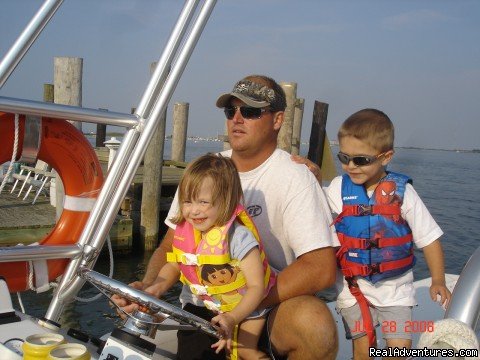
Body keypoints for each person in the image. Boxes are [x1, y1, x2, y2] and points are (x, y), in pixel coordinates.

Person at [113, 75, 339, 360]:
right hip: (202, 308)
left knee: (315, 324)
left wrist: (242, 306)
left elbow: (320, 268)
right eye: (231, 111)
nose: (237, 118)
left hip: (269, 306)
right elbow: (171, 246)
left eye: (252, 111)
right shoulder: (203, 171)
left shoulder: (295, 178)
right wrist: (148, 289)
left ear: (278, 120)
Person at [323, 108, 451, 360]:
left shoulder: (403, 194)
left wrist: (438, 280)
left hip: (396, 291)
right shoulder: (338, 188)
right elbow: (312, 209)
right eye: (344, 157)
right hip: (353, 289)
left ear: (386, 157)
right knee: (363, 350)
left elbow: (430, 238)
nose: (350, 166)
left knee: (398, 350)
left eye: (360, 160)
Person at [143, 153, 276, 359]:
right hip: (211, 308)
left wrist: (232, 318)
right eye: (187, 202)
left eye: (203, 202)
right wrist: (156, 288)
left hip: (249, 309)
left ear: (226, 201)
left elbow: (257, 287)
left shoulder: (238, 237)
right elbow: (176, 264)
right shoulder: (188, 232)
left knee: (244, 352)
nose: (194, 211)